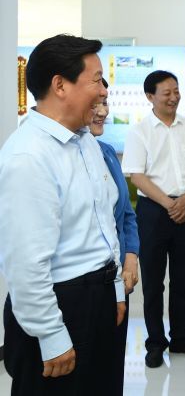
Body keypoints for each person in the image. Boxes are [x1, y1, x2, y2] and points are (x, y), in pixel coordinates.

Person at [0, 34, 126, 395]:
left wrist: (116, 288)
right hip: (61, 305)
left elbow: (104, 222)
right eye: (96, 80)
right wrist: (51, 334)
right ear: (60, 85)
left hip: (100, 297)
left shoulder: (84, 141)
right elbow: (25, 263)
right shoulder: (29, 157)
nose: (104, 91)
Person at [122, 70, 185, 369]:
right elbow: (136, 175)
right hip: (153, 212)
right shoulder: (140, 132)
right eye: (167, 93)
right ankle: (155, 343)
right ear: (150, 96)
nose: (174, 97)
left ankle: (182, 338)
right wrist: (169, 203)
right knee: (153, 283)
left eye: (176, 91)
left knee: (183, 280)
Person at [91, 89, 140, 394]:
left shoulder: (107, 152)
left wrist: (131, 257)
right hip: (86, 287)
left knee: (110, 372)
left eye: (105, 102)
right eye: (95, 103)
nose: (103, 111)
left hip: (118, 280)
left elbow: (127, 215)